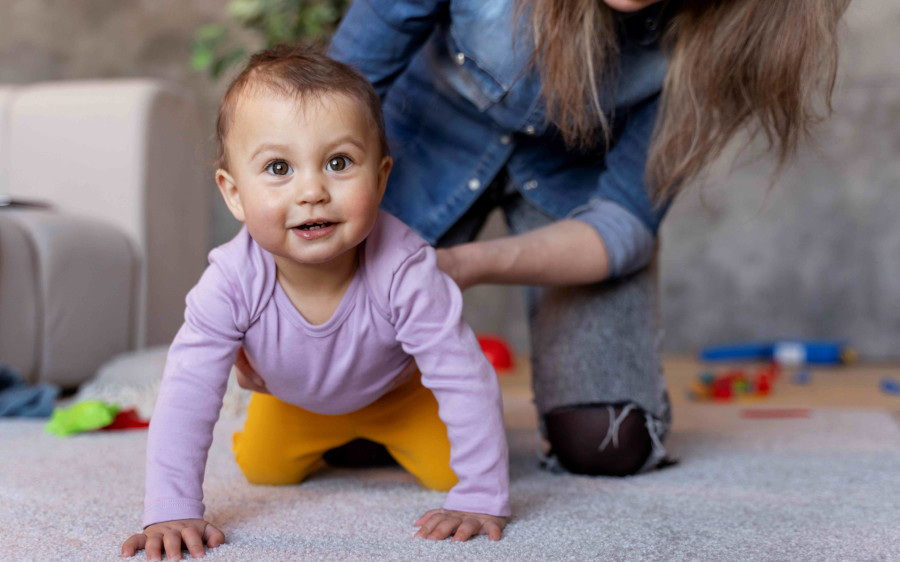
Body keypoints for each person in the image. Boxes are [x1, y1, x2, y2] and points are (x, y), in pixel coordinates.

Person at [236, 0, 845, 477]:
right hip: (415, 144)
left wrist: (462, 265)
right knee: (349, 423)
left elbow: (625, 221)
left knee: (609, 441)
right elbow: (331, 100)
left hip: (572, 184)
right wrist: (263, 283)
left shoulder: (725, 35)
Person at [121, 46, 510, 562]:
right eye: (279, 167)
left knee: (449, 472)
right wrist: (170, 506)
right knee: (263, 468)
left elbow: (463, 374)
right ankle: (344, 441)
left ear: (380, 176)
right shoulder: (230, 281)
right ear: (233, 194)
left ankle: (375, 438)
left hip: (398, 398)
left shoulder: (406, 270)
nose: (312, 191)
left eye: (339, 162)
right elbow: (188, 388)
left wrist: (482, 492)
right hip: (296, 402)